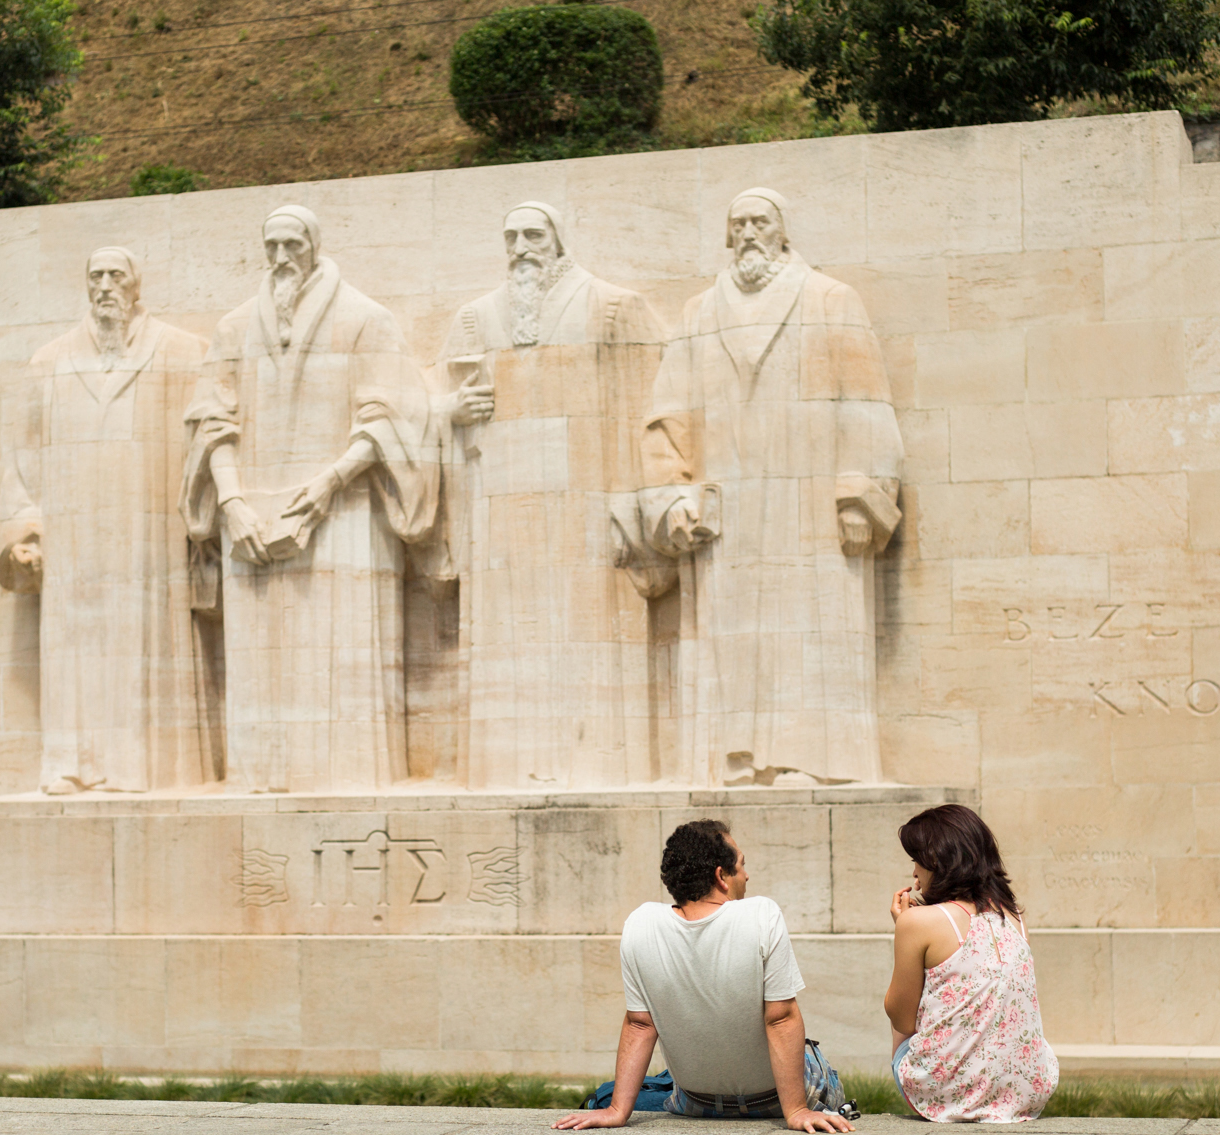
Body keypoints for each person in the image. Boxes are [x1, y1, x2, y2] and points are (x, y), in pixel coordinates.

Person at [638, 187, 905, 787]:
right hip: (726, 507)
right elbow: (666, 415)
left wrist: (860, 493)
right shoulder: (698, 313)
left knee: (815, 622)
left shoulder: (831, 300)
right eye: (739, 224)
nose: (749, 233)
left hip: (808, 502)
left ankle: (816, 759)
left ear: (782, 233)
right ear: (728, 237)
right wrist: (672, 493)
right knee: (731, 632)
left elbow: (866, 402)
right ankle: (734, 761)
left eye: (761, 221)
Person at [179, 205, 442, 792]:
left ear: (314, 247)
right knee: (261, 669)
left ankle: (347, 779)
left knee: (341, 664)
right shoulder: (233, 328)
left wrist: (327, 485)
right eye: (270, 245)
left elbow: (394, 415)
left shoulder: (365, 320)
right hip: (248, 518)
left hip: (344, 514)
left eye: (292, 244)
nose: (280, 258)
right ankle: (260, 782)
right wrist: (231, 502)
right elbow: (211, 422)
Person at [436, 202, 665, 789]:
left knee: (590, 640)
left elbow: (651, 409)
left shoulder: (611, 307)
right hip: (499, 514)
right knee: (506, 639)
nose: (520, 246)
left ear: (559, 240)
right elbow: (435, 411)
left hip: (588, 510)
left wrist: (632, 502)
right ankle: (506, 769)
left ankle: (597, 765)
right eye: (509, 235)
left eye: (533, 234)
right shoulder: (473, 319)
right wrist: (452, 414)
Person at [0, 245, 219, 794]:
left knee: (143, 646)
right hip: (74, 545)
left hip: (150, 541)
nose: (105, 286)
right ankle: (70, 764)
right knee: (75, 651)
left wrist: (205, 523)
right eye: (95, 276)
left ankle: (141, 766)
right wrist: (27, 533)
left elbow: (210, 437)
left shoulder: (183, 353)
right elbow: (21, 461)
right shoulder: (48, 362)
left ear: (136, 285)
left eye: (116, 275)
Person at [554, 819, 854, 1133]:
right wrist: (796, 1111)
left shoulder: (640, 924)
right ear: (721, 876)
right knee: (817, 1065)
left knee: (661, 1082)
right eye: (741, 866)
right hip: (774, 1101)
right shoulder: (761, 915)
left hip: (696, 1103)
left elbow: (640, 1024)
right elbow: (780, 1018)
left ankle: (610, 1098)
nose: (747, 875)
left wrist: (617, 1109)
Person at [884, 805, 1058, 1122]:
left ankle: (936, 1088)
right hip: (1026, 1094)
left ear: (935, 860)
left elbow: (902, 1020)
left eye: (916, 860)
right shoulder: (1013, 915)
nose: (914, 874)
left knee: (904, 1014)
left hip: (945, 1095)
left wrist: (903, 927)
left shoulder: (917, 923)